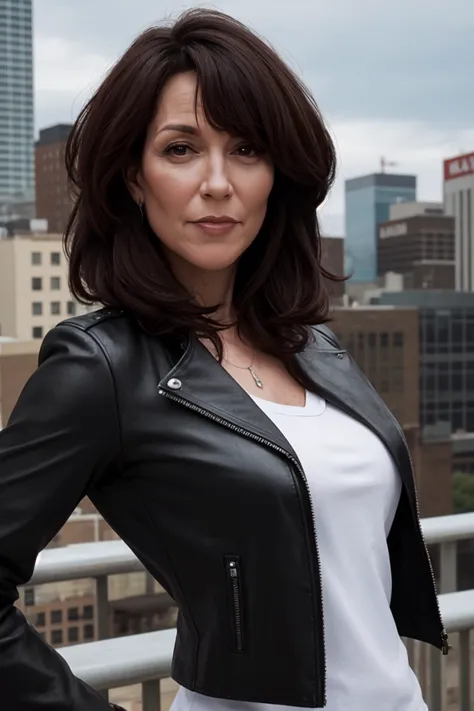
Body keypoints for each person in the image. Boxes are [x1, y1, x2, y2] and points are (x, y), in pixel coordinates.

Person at [0, 8, 448, 711]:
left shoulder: (314, 347)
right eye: (181, 149)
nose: (217, 182)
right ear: (134, 176)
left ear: (277, 175)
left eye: (245, 149)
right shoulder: (104, 367)